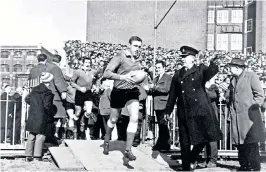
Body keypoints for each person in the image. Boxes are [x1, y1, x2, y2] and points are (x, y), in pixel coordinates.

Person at [163, 46, 223, 171]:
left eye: (186, 57)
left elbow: (212, 71)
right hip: (184, 111)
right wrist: (167, 111)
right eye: (182, 57)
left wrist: (212, 62)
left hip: (200, 110)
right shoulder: (178, 74)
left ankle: (191, 158)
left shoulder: (201, 70)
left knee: (203, 138)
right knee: (185, 142)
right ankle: (186, 167)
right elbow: (173, 94)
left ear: (193, 58)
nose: (183, 59)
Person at [102, 36, 145, 162]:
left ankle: (127, 150)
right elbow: (106, 73)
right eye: (135, 46)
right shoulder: (120, 56)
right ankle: (106, 139)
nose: (138, 49)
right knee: (114, 119)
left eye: (140, 46)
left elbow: (138, 76)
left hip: (132, 91)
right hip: (119, 91)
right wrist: (123, 77)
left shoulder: (139, 59)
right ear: (129, 45)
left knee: (134, 117)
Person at [226, 58, 265, 171]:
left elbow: (260, 95)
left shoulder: (251, 76)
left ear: (238, 67)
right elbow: (231, 97)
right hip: (236, 117)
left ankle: (254, 167)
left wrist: (252, 107)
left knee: (251, 143)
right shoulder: (232, 79)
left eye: (231, 66)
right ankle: (244, 165)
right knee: (240, 143)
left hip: (249, 117)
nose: (229, 68)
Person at [25, 72, 56, 162]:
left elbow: (27, 99)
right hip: (42, 116)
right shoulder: (48, 92)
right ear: (49, 82)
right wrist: (52, 113)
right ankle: (37, 156)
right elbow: (47, 106)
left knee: (32, 135)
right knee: (40, 135)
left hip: (33, 114)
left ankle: (28, 155)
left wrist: (34, 105)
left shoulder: (34, 89)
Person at [149, 60, 172, 151]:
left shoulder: (168, 77)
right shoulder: (155, 78)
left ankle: (165, 144)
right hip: (157, 104)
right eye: (156, 68)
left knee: (163, 125)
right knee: (161, 125)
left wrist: (153, 87)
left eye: (159, 68)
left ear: (164, 68)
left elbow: (166, 89)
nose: (157, 69)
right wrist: (148, 89)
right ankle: (162, 144)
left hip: (163, 104)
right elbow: (153, 91)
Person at [46, 55, 68, 139]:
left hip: (46, 95)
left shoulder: (47, 67)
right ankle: (53, 137)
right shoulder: (56, 68)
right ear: (60, 61)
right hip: (55, 97)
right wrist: (63, 91)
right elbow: (58, 81)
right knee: (56, 117)